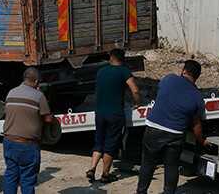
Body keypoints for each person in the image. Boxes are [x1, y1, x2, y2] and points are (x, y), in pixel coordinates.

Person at [136, 60, 209, 194]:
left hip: (153, 127)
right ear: (197, 77)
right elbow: (197, 125)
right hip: (175, 133)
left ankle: (141, 191)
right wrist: (201, 140)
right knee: (171, 166)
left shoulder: (168, 79)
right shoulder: (197, 97)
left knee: (148, 163)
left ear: (184, 71)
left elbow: (160, 95)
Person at [86, 48, 141, 183]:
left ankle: (92, 169)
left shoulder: (101, 71)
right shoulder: (124, 71)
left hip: (100, 112)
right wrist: (137, 103)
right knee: (110, 143)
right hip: (115, 114)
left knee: (99, 141)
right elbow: (134, 89)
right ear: (123, 59)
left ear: (111, 57)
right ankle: (105, 174)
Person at [2, 67, 53, 194]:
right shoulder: (38, 96)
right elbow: (48, 119)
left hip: (9, 141)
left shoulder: (11, 92)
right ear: (36, 82)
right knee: (27, 179)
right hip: (27, 145)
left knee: (11, 175)